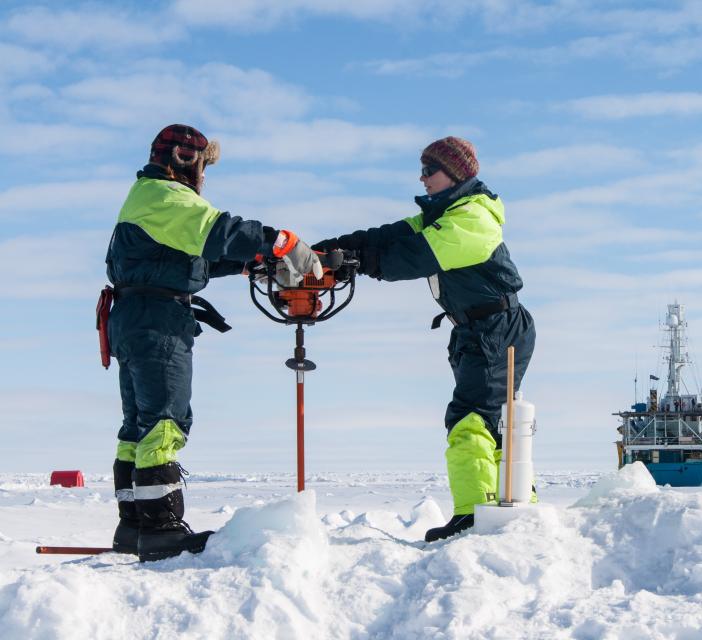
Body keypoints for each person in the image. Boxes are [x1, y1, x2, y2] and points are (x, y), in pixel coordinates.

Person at [105, 124, 322, 561]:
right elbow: (218, 231)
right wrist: (283, 244)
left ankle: (134, 527)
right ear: (186, 161)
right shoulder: (167, 196)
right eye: (204, 166)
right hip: (156, 320)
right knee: (164, 422)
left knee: (138, 427)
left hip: (135, 315)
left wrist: (249, 267)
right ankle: (162, 528)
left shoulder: (149, 199)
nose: (205, 176)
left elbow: (185, 255)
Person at [313, 136, 535, 541]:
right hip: (478, 328)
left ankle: (474, 516)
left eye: (429, 170)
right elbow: (386, 238)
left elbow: (415, 256)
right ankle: (515, 507)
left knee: (471, 419)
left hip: (495, 328)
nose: (422, 178)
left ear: (454, 173)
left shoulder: (472, 218)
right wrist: (325, 251)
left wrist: (357, 264)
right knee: (492, 421)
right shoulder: (444, 213)